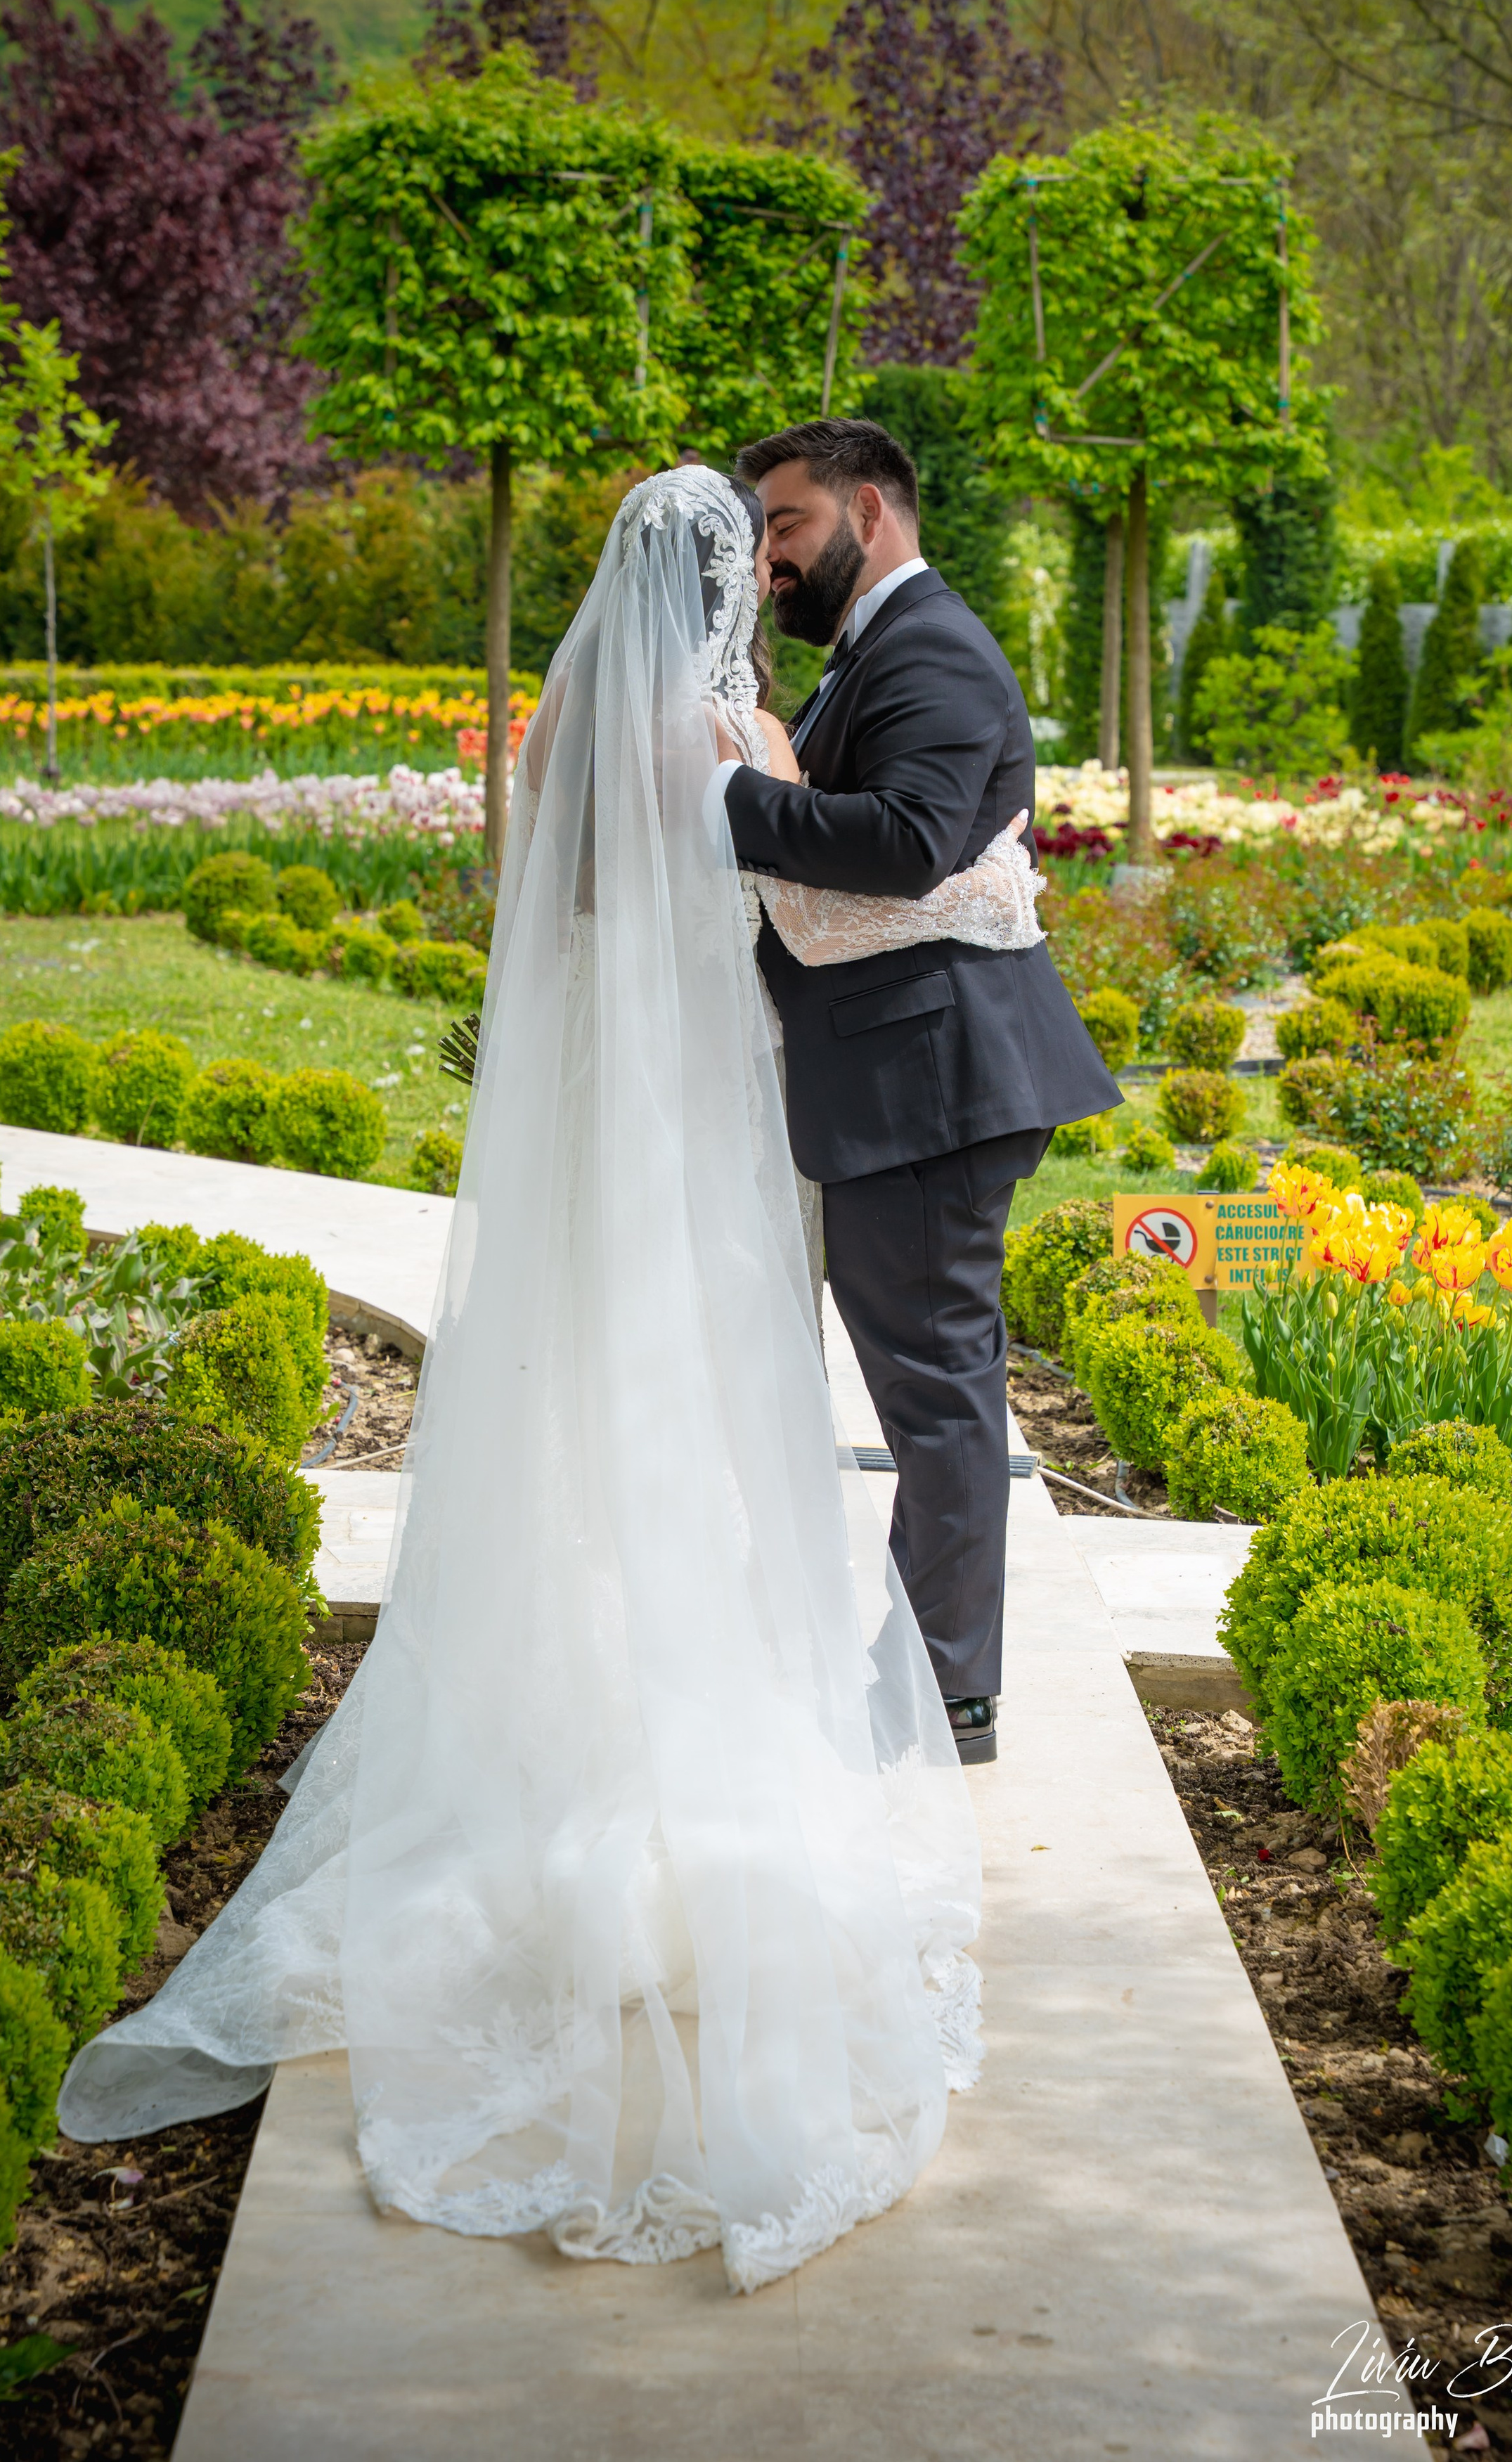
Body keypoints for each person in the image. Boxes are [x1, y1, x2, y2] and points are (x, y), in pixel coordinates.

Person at [58, 468, 1014, 2297]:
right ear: (731, 585)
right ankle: (678, 1740)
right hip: (705, 1111)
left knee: (569, 1414)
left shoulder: (567, 705)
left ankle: (552, 1726)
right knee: (712, 1422)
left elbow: (554, 894)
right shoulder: (736, 723)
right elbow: (806, 902)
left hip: (578, 1103)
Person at [716, 419, 1123, 1769]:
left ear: (869, 508)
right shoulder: (874, 653)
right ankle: (926, 1678)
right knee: (928, 1379)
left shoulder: (933, 646)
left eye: (786, 524)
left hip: (935, 1081)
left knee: (937, 1389)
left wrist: (726, 793)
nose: (769, 558)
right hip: (893, 1073)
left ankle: (948, 1699)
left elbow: (906, 843)